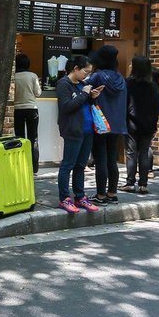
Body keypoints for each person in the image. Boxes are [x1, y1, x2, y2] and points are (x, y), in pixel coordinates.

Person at [56, 55, 102, 214]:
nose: (87, 75)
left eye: (89, 72)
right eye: (85, 71)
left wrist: (92, 97)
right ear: (76, 69)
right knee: (68, 165)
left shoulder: (83, 85)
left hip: (88, 130)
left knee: (81, 165)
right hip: (73, 130)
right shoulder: (63, 84)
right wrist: (84, 94)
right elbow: (66, 107)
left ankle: (80, 196)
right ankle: (64, 198)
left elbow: (85, 105)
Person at [87, 45, 127, 205]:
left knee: (100, 159)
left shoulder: (97, 76)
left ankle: (100, 195)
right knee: (112, 158)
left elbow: (83, 89)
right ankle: (112, 193)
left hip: (100, 124)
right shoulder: (121, 79)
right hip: (117, 125)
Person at [120, 56, 159, 194]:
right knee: (144, 153)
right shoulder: (153, 86)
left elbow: (124, 104)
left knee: (131, 153)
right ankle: (143, 184)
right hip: (148, 124)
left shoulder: (128, 83)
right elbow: (157, 107)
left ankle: (130, 183)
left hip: (131, 123)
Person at [14, 53, 41, 173]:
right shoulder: (32, 76)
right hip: (31, 109)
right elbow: (38, 93)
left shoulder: (14, 76)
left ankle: (21, 166)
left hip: (17, 109)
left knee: (19, 138)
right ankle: (34, 168)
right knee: (33, 138)